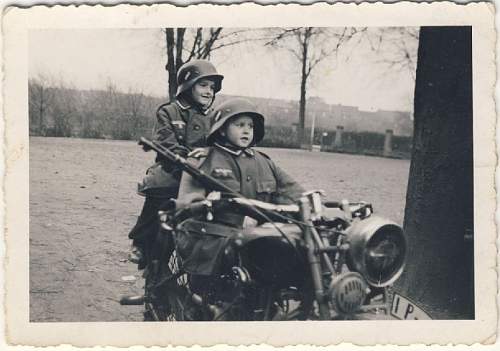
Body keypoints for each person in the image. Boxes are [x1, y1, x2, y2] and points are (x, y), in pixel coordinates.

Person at [128, 59, 223, 268]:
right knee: (160, 191)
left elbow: (222, 145)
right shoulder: (169, 112)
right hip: (174, 168)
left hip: (206, 172)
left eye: (213, 87)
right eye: (203, 85)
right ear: (188, 85)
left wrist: (210, 156)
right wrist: (184, 157)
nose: (209, 91)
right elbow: (165, 141)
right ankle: (141, 242)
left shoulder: (216, 116)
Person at [177, 98, 305, 227]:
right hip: (216, 239)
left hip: (261, 236)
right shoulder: (201, 160)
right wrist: (236, 219)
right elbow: (188, 208)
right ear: (222, 129)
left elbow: (293, 191)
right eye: (240, 125)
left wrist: (312, 204)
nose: (246, 131)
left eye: (251, 126)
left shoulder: (265, 163)